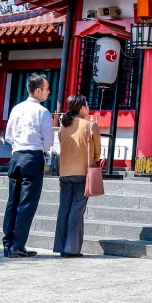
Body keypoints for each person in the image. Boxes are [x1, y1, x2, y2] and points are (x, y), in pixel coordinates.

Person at [2, 73, 54, 258]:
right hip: (32, 157)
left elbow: (8, 136)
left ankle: (8, 244)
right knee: (27, 203)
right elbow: (48, 141)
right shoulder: (42, 112)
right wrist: (42, 149)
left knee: (12, 201)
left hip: (16, 156)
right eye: (47, 89)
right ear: (38, 90)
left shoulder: (16, 108)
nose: (49, 92)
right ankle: (18, 244)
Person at [53, 94, 100, 258]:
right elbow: (97, 151)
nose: (88, 108)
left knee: (64, 209)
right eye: (86, 105)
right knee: (77, 210)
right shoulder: (90, 125)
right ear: (81, 108)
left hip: (65, 172)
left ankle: (60, 245)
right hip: (82, 172)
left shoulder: (63, 126)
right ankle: (71, 248)